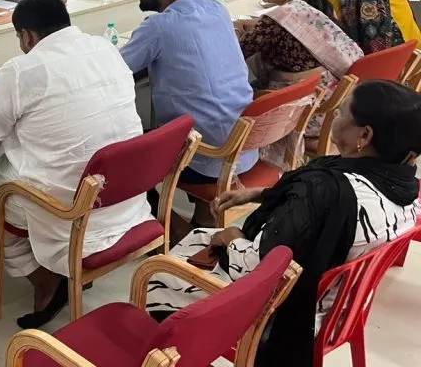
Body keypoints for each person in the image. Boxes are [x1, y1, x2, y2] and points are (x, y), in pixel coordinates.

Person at [146, 80, 421, 366]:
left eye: (340, 113)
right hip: (338, 309)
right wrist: (260, 194)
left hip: (284, 316)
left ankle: (172, 354)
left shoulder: (321, 190)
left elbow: (256, 269)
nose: (335, 117)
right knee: (202, 240)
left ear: (364, 135)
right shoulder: (404, 189)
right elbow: (324, 209)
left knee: (159, 273)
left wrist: (231, 236)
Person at [0, 0, 146, 328]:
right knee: (15, 170)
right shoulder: (104, 47)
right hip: (124, 192)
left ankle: (43, 278)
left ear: (26, 36)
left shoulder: (23, 69)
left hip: (72, 207)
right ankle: (53, 269)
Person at [120, 0, 254, 226]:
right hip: (247, 146)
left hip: (207, 155)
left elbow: (116, 69)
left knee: (125, 159)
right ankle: (200, 225)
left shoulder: (158, 26)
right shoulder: (216, 8)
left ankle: (170, 233)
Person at [235, 0, 362, 135]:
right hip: (337, 104)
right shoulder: (318, 5)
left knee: (237, 94)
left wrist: (235, 31)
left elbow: (238, 53)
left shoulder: (278, 20)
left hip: (308, 112)